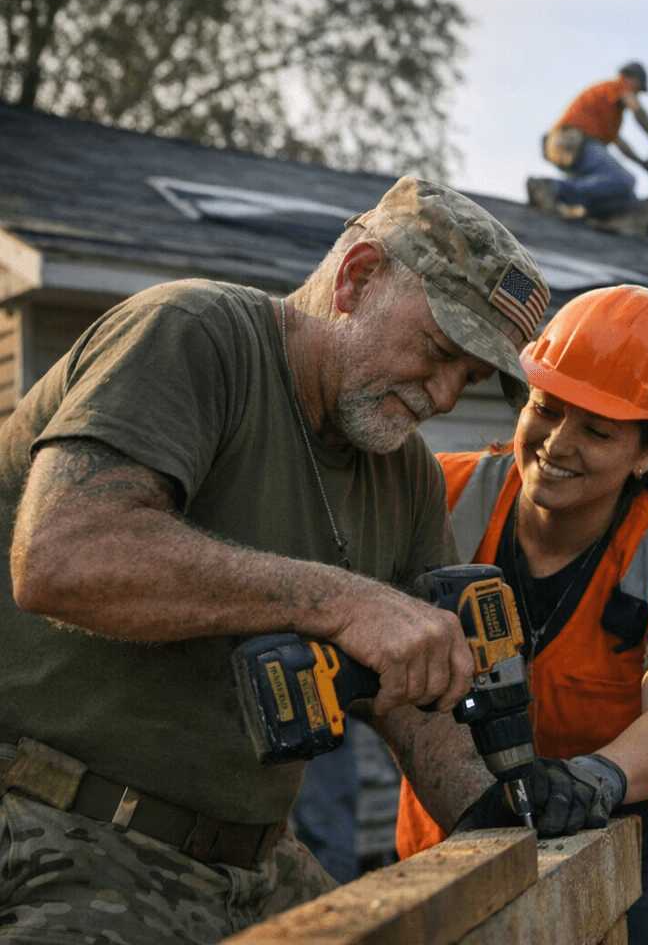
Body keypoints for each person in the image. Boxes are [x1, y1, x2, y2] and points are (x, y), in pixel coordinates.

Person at [0, 175, 552, 944]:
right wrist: (343, 602)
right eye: (438, 351)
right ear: (359, 277)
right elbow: (61, 553)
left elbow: (417, 696)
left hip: (250, 859)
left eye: (470, 376)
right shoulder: (192, 331)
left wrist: (506, 806)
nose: (446, 396)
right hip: (60, 826)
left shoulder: (407, 473)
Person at [394, 285, 648, 945]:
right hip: (470, 821)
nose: (557, 444)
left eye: (596, 430)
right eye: (547, 408)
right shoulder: (433, 496)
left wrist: (593, 780)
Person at [528, 62, 648, 218]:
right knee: (625, 181)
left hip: (565, 146)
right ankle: (552, 188)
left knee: (627, 197)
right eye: (638, 90)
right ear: (632, 79)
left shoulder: (610, 110)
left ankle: (583, 208)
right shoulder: (619, 86)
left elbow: (620, 144)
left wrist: (645, 165)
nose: (637, 95)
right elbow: (637, 110)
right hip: (571, 141)